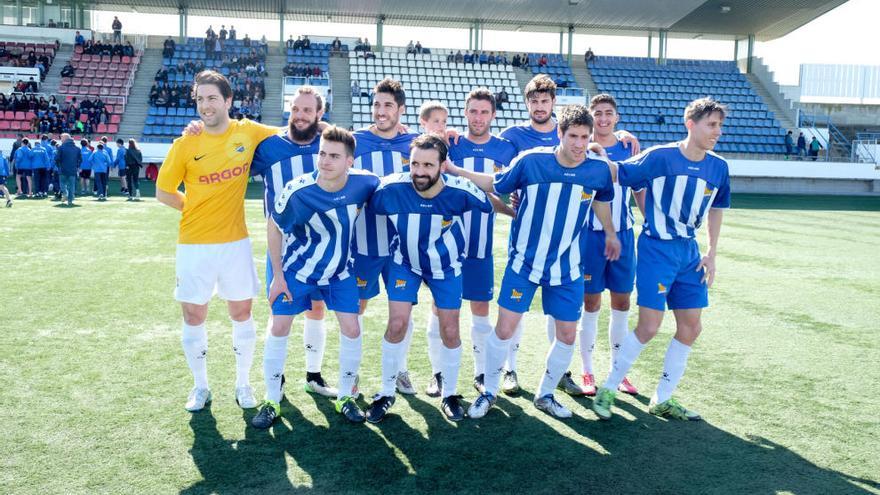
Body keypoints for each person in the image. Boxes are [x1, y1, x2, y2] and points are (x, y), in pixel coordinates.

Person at [446, 104, 620, 419]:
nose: (579, 144)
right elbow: (495, 183)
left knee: (567, 334)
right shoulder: (531, 162)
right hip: (524, 263)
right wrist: (456, 171)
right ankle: (489, 391)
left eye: (585, 137)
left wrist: (610, 233)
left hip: (567, 268)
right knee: (504, 330)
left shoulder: (597, 170)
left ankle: (546, 394)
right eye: (573, 136)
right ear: (560, 134)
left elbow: (603, 202)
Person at [592, 97, 730, 423]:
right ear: (691, 124)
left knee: (691, 327)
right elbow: (619, 172)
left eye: (720, 126)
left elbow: (717, 208)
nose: (717, 132)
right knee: (649, 326)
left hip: (690, 253)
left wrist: (712, 253)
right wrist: (596, 152)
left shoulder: (718, 167)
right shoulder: (661, 157)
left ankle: (663, 398)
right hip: (657, 249)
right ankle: (609, 388)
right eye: (711, 125)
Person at [155, 70, 278, 412]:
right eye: (199, 99)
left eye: (211, 98)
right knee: (194, 315)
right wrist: (192, 208)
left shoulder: (247, 131)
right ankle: (201, 386)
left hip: (235, 243)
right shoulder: (185, 144)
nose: (205, 106)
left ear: (228, 100)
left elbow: (296, 135)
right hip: (193, 244)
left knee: (242, 311)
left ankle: (243, 383)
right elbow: (163, 192)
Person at [251, 126, 379, 428]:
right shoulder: (298, 189)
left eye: (334, 156)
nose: (324, 160)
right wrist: (278, 275)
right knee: (279, 325)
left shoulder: (365, 183)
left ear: (350, 161)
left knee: (351, 327)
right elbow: (274, 225)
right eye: (322, 153)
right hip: (298, 271)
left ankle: (345, 396)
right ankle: (272, 399)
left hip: (339, 272)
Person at [364, 134, 493, 423]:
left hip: (445, 266)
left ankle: (449, 394)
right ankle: (385, 393)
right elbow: (365, 204)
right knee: (396, 324)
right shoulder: (390, 189)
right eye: (415, 164)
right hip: (404, 263)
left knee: (449, 330)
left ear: (442, 165)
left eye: (428, 165)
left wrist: (515, 209)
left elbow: (491, 199)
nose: (420, 171)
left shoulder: (461, 190)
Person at [249, 87, 338, 402]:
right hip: (282, 247)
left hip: (321, 248)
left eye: (307, 111)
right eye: (295, 109)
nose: (300, 116)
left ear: (318, 115)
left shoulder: (328, 146)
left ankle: (313, 376)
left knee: (317, 311)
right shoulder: (269, 147)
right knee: (280, 317)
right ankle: (276, 381)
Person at [554, 93, 645, 397]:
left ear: (616, 117)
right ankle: (588, 369)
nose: (604, 119)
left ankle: (618, 372)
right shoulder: (583, 149)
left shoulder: (629, 147)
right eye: (598, 113)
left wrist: (649, 221)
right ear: (591, 118)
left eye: (609, 113)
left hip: (624, 234)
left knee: (622, 302)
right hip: (590, 236)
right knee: (590, 302)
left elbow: (638, 188)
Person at [351, 78, 420, 395]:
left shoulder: (416, 144)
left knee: (401, 315)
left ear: (401, 110)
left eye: (388, 105)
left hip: (403, 249)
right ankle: (351, 374)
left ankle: (399, 371)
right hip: (363, 244)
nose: (381, 111)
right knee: (356, 309)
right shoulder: (355, 141)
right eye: (376, 104)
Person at [446, 89, 517, 395]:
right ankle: (439, 375)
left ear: (493, 115)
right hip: (447, 244)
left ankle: (479, 373)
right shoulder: (452, 144)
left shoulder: (506, 150)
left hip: (481, 245)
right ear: (465, 114)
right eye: (473, 112)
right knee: (442, 308)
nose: (478, 118)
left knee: (480, 309)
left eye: (484, 112)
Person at [55, 133, 81, 206]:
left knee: (62, 183)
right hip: (73, 170)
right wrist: (77, 167)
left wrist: (59, 166)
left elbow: (56, 159)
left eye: (61, 138)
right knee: (71, 185)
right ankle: (70, 201)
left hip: (63, 169)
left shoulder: (61, 147)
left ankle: (65, 193)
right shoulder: (77, 148)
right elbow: (80, 159)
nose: (61, 140)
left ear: (65, 139)